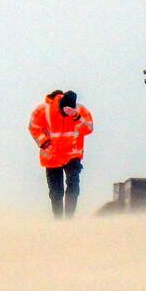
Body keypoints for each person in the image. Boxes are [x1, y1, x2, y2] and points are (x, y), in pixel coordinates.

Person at [28, 90, 94, 218]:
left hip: (72, 156)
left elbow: (89, 128)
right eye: (65, 111)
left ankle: (69, 219)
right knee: (56, 192)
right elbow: (33, 126)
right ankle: (58, 220)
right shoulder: (43, 110)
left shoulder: (80, 111)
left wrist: (77, 117)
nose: (67, 114)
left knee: (73, 187)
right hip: (52, 156)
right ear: (60, 106)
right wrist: (45, 143)